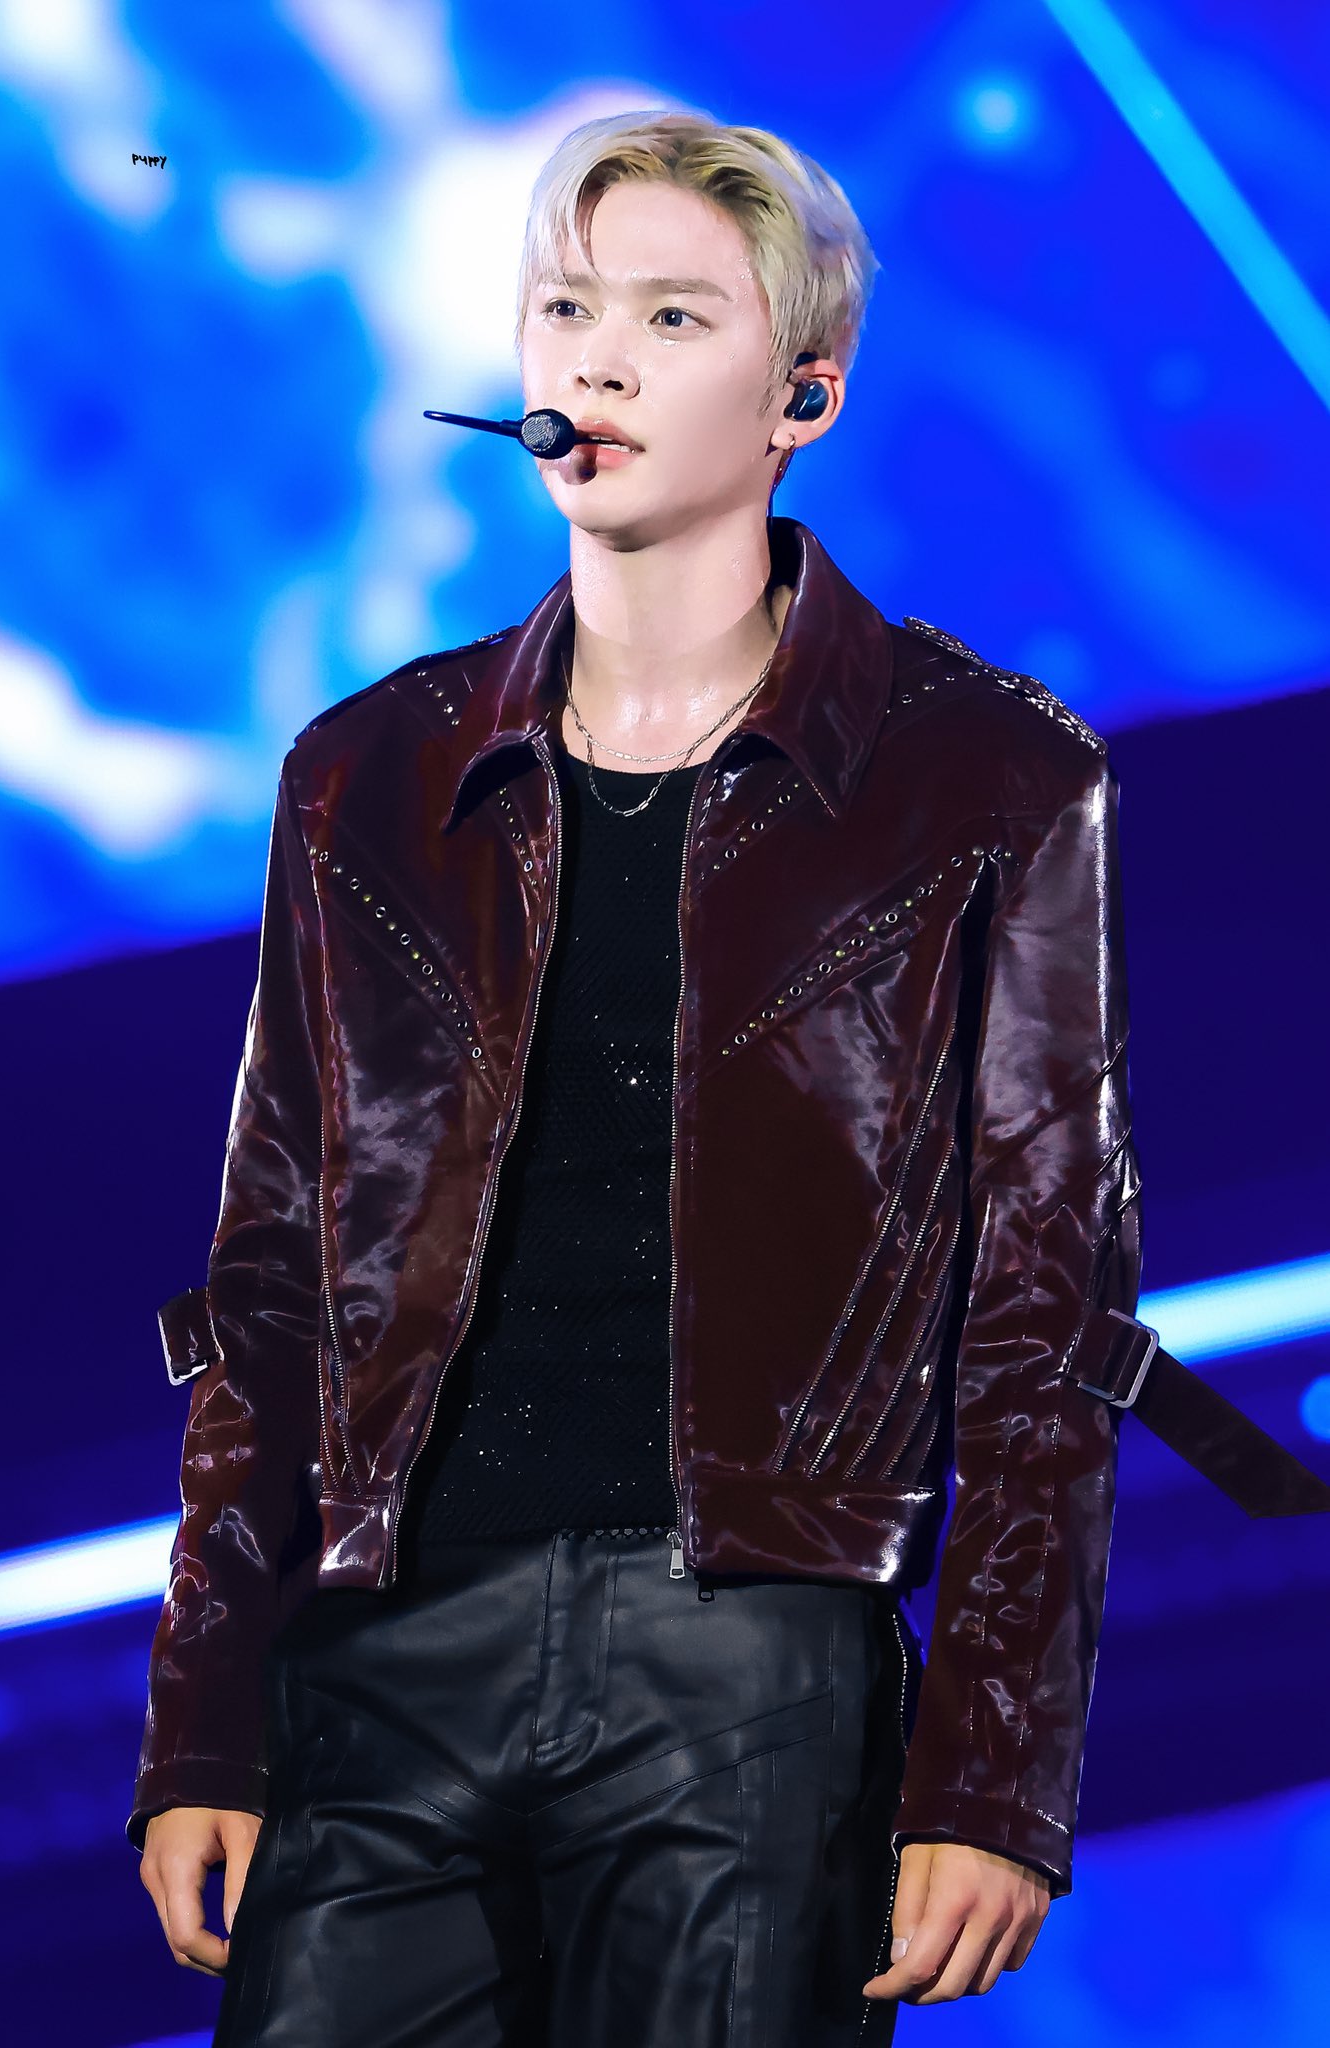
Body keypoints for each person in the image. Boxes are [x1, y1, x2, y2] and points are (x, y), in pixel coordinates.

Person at [131, 108, 1144, 2043]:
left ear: (804, 396)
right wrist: (206, 1720)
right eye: (566, 308)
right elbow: (271, 1275)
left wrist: (991, 1773)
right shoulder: (367, 777)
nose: (595, 360)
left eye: (674, 317)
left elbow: (1046, 1310)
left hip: (750, 1667)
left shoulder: (989, 779)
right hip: (383, 1651)